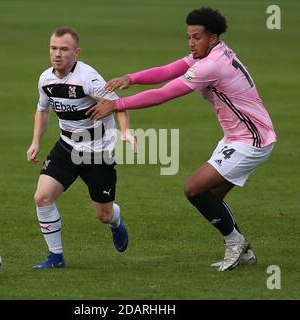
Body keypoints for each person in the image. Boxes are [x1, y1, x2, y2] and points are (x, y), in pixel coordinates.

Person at [87, 7, 276, 271]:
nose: (191, 43)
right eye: (189, 37)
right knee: (209, 196)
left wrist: (116, 106)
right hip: (238, 137)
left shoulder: (211, 65)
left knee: (193, 188)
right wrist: (131, 78)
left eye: (197, 37)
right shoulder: (214, 52)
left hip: (252, 140)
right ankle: (240, 248)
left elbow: (164, 94)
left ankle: (236, 242)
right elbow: (169, 69)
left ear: (213, 37)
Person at [27, 27, 136, 269]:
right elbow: (43, 110)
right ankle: (56, 257)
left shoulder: (89, 78)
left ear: (76, 52)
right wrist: (36, 141)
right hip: (66, 147)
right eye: (53, 48)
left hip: (98, 153)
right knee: (42, 197)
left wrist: (126, 132)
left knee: (103, 215)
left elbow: (117, 104)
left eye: (64, 49)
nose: (57, 54)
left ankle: (115, 220)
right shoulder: (46, 79)